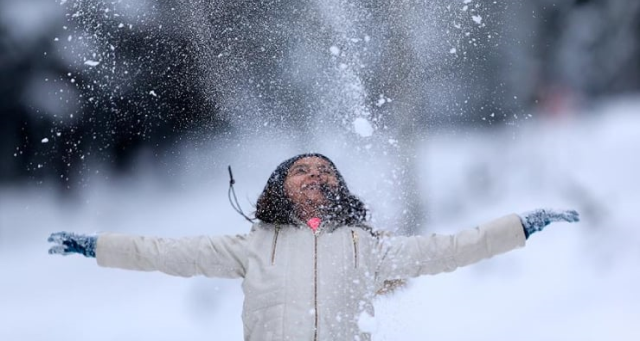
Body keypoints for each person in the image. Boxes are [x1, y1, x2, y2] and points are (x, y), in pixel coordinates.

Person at [48, 153, 579, 341]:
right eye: (301, 170)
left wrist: (520, 227)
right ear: (280, 187)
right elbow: (164, 251)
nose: (314, 176)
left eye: (325, 171)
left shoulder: (366, 248)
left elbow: (450, 248)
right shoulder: (252, 245)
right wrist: (97, 246)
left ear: (339, 188)